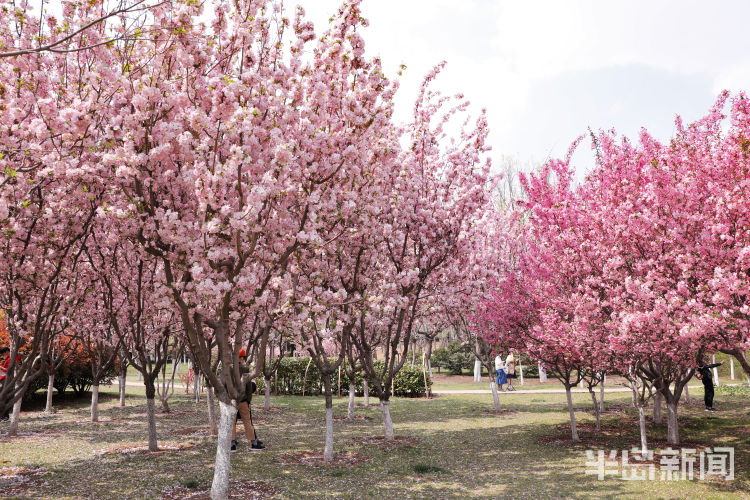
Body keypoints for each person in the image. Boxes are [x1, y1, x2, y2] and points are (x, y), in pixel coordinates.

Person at [231, 349, 265, 451]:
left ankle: (232, 444)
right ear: (242, 358)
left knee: (232, 422)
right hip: (243, 400)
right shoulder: (245, 368)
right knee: (247, 422)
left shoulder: (228, 369)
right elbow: (249, 387)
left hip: (232, 400)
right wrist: (248, 400)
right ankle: (254, 443)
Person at [1, 347, 10, 421]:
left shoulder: (11, 359)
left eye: (3, 354)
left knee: (4, 398)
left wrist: (1, 368)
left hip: (6, 381)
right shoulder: (7, 359)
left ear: (7, 352)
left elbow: (10, 370)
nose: (2, 356)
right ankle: (3, 415)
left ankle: (5, 415)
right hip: (3, 379)